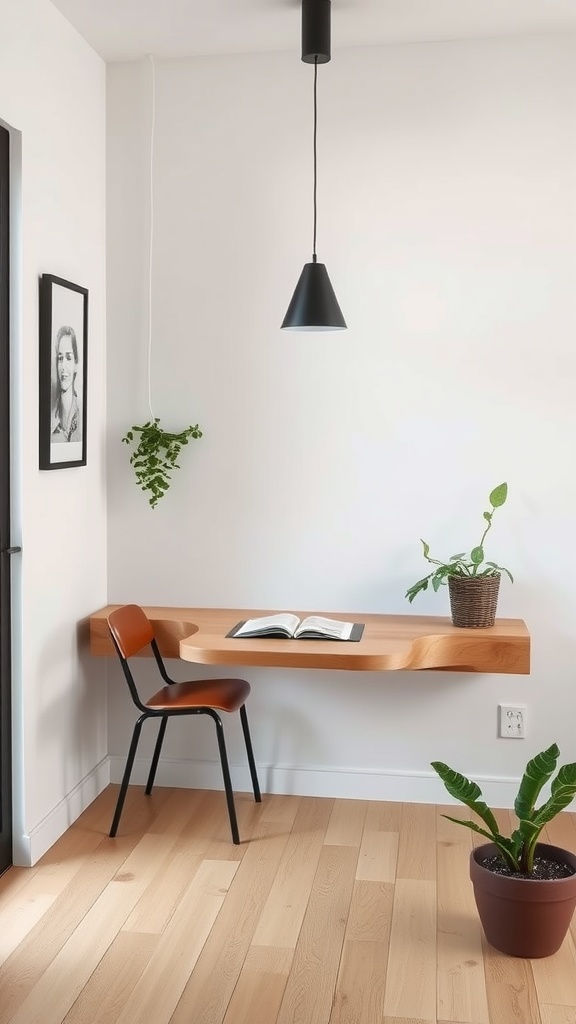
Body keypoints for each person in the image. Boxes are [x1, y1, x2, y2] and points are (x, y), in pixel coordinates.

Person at [51, 325, 81, 443]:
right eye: (60, 358)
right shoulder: (51, 416)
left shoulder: (81, 413)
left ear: (76, 364)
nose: (63, 366)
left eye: (68, 358)